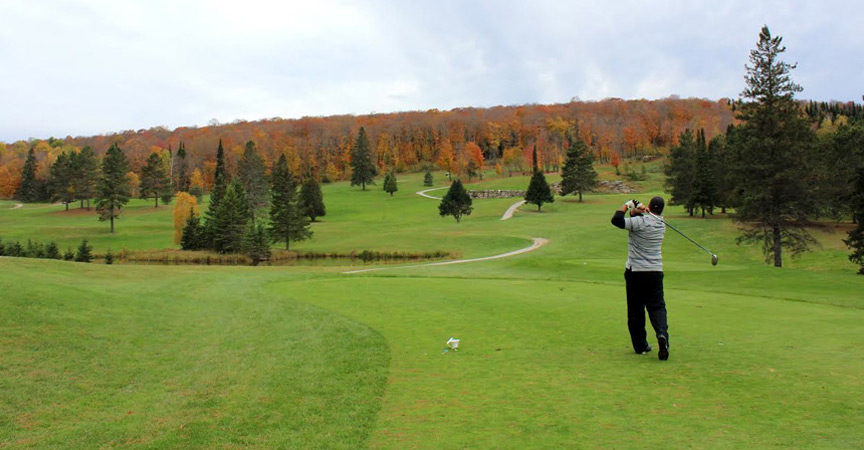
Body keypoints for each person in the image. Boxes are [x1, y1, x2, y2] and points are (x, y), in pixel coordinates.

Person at [610, 196, 669, 361]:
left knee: (636, 310)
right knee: (657, 307)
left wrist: (627, 204)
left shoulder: (640, 223)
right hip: (655, 272)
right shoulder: (661, 224)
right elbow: (638, 219)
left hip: (635, 272)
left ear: (649, 205)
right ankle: (662, 334)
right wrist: (638, 211)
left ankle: (641, 345)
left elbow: (616, 220)